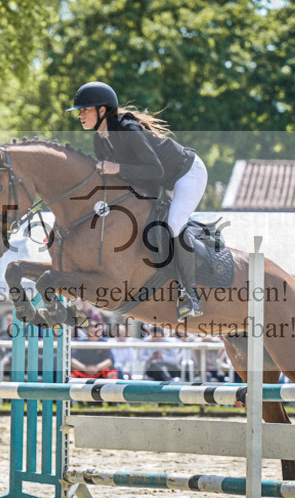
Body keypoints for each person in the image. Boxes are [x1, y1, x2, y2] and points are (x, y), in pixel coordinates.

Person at [68, 81, 209, 319]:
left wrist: (117, 167)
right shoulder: (100, 139)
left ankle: (189, 294)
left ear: (102, 111)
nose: (80, 115)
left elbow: (156, 171)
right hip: (160, 183)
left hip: (186, 174)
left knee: (172, 225)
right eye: (80, 111)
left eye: (85, 109)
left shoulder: (126, 129)